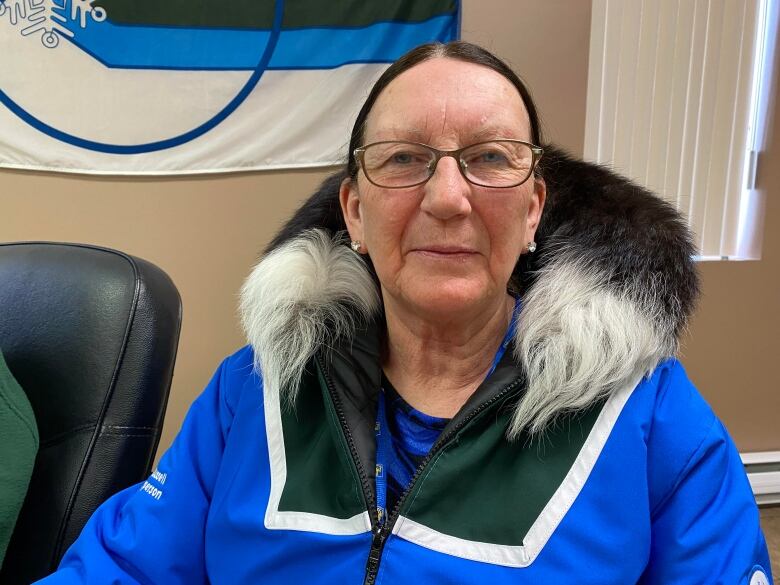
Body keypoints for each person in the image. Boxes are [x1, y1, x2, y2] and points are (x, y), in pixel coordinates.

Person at [38, 41, 772, 584]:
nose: (448, 197)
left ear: (533, 212)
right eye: (402, 158)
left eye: (489, 158)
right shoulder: (252, 392)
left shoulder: (651, 419)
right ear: (353, 213)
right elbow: (122, 568)